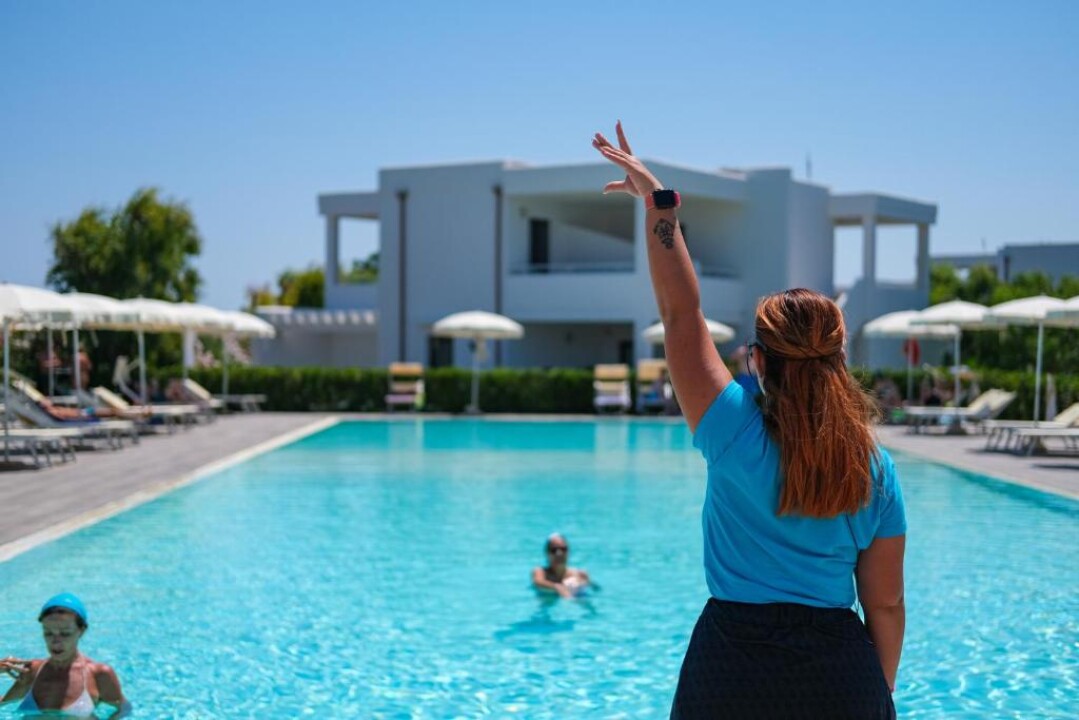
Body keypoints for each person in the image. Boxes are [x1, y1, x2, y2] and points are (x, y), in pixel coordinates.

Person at [594, 123, 905, 719]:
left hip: (730, 670)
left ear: (757, 361)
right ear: (840, 361)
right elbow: (885, 604)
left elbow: (681, 314)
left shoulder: (729, 427)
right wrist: (875, 693)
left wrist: (659, 203)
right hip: (839, 677)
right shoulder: (873, 467)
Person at [1, 593, 131, 718]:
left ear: (81, 631)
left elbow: (123, 708)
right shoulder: (33, 671)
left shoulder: (98, 675)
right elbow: (3, 705)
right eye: (48, 633)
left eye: (65, 634)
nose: (55, 641)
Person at [531, 534, 591, 599]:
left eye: (563, 549)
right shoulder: (541, 572)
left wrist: (584, 583)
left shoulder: (579, 574)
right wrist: (556, 587)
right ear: (547, 554)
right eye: (554, 550)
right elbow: (537, 582)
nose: (559, 553)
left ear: (568, 552)